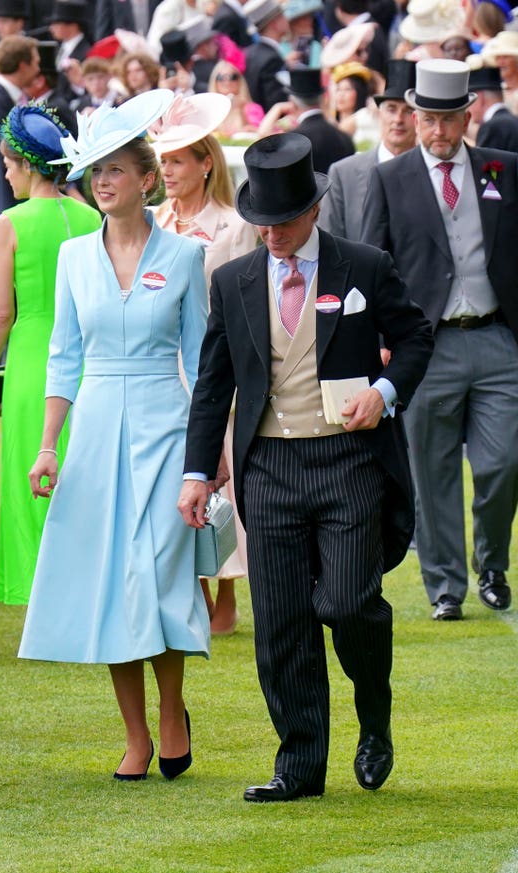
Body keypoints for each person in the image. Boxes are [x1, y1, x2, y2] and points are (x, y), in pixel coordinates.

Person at [181, 132, 433, 801]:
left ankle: (373, 716)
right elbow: (214, 384)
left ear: (314, 211)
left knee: (349, 603)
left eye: (284, 223)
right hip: (267, 466)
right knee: (284, 619)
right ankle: (299, 763)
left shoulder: (363, 266)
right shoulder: (231, 281)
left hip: (348, 458)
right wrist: (197, 472)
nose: (271, 236)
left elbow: (413, 336)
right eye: (261, 224)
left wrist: (382, 394)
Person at [19, 90, 210, 782]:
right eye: (94, 171)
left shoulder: (186, 256)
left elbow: (202, 360)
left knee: (158, 572)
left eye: (116, 171)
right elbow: (63, 356)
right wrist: (48, 444)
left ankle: (171, 708)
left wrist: (208, 452)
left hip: (167, 424)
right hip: (96, 428)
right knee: (112, 582)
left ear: (147, 179)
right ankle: (135, 733)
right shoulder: (74, 257)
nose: (102, 182)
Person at [360, 59, 518, 620]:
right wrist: (379, 339)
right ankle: (447, 587)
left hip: (498, 338)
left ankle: (492, 565)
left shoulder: (503, 168)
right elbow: (373, 265)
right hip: (425, 346)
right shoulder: (389, 178)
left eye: (449, 120)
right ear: (414, 115)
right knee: (432, 471)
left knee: (504, 461)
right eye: (428, 119)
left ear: (467, 115)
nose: (438, 132)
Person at [0, 105, 100, 606]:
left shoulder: (10, 222)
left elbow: (0, 313)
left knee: (31, 472)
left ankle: (36, 591)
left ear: (28, 165)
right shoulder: (92, 216)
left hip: (32, 358)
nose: (5, 174)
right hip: (88, 357)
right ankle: (84, 585)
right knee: (80, 470)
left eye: (8, 164)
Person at [151, 92, 259, 635]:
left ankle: (227, 594)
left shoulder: (233, 226)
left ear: (204, 163)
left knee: (226, 476)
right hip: (162, 364)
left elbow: (243, 303)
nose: (166, 170)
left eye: (176, 160)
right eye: (162, 160)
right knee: (178, 471)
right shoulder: (152, 222)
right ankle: (187, 587)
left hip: (217, 365)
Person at [0, 35, 41, 376]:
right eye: (34, 58)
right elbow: (4, 151)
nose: (39, 65)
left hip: (18, 204)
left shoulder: (10, 99)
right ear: (21, 64)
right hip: (3, 203)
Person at [319, 59, 415, 241]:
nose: (398, 119)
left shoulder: (432, 171)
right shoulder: (343, 173)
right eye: (391, 109)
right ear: (380, 113)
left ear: (419, 118)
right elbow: (331, 241)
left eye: (408, 111)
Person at [259, 68, 355, 173]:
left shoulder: (291, 141)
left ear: (293, 103)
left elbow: (263, 138)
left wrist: (277, 108)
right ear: (322, 99)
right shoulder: (343, 137)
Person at [469, 62, 518, 153]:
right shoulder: (514, 120)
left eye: (469, 102)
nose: (468, 109)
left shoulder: (492, 127)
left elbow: (483, 165)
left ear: (479, 99)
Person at [208, 60, 263, 135]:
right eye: (221, 78)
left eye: (233, 77)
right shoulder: (209, 110)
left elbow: (260, 133)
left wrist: (240, 111)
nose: (227, 82)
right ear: (214, 82)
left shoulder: (253, 108)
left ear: (240, 81)